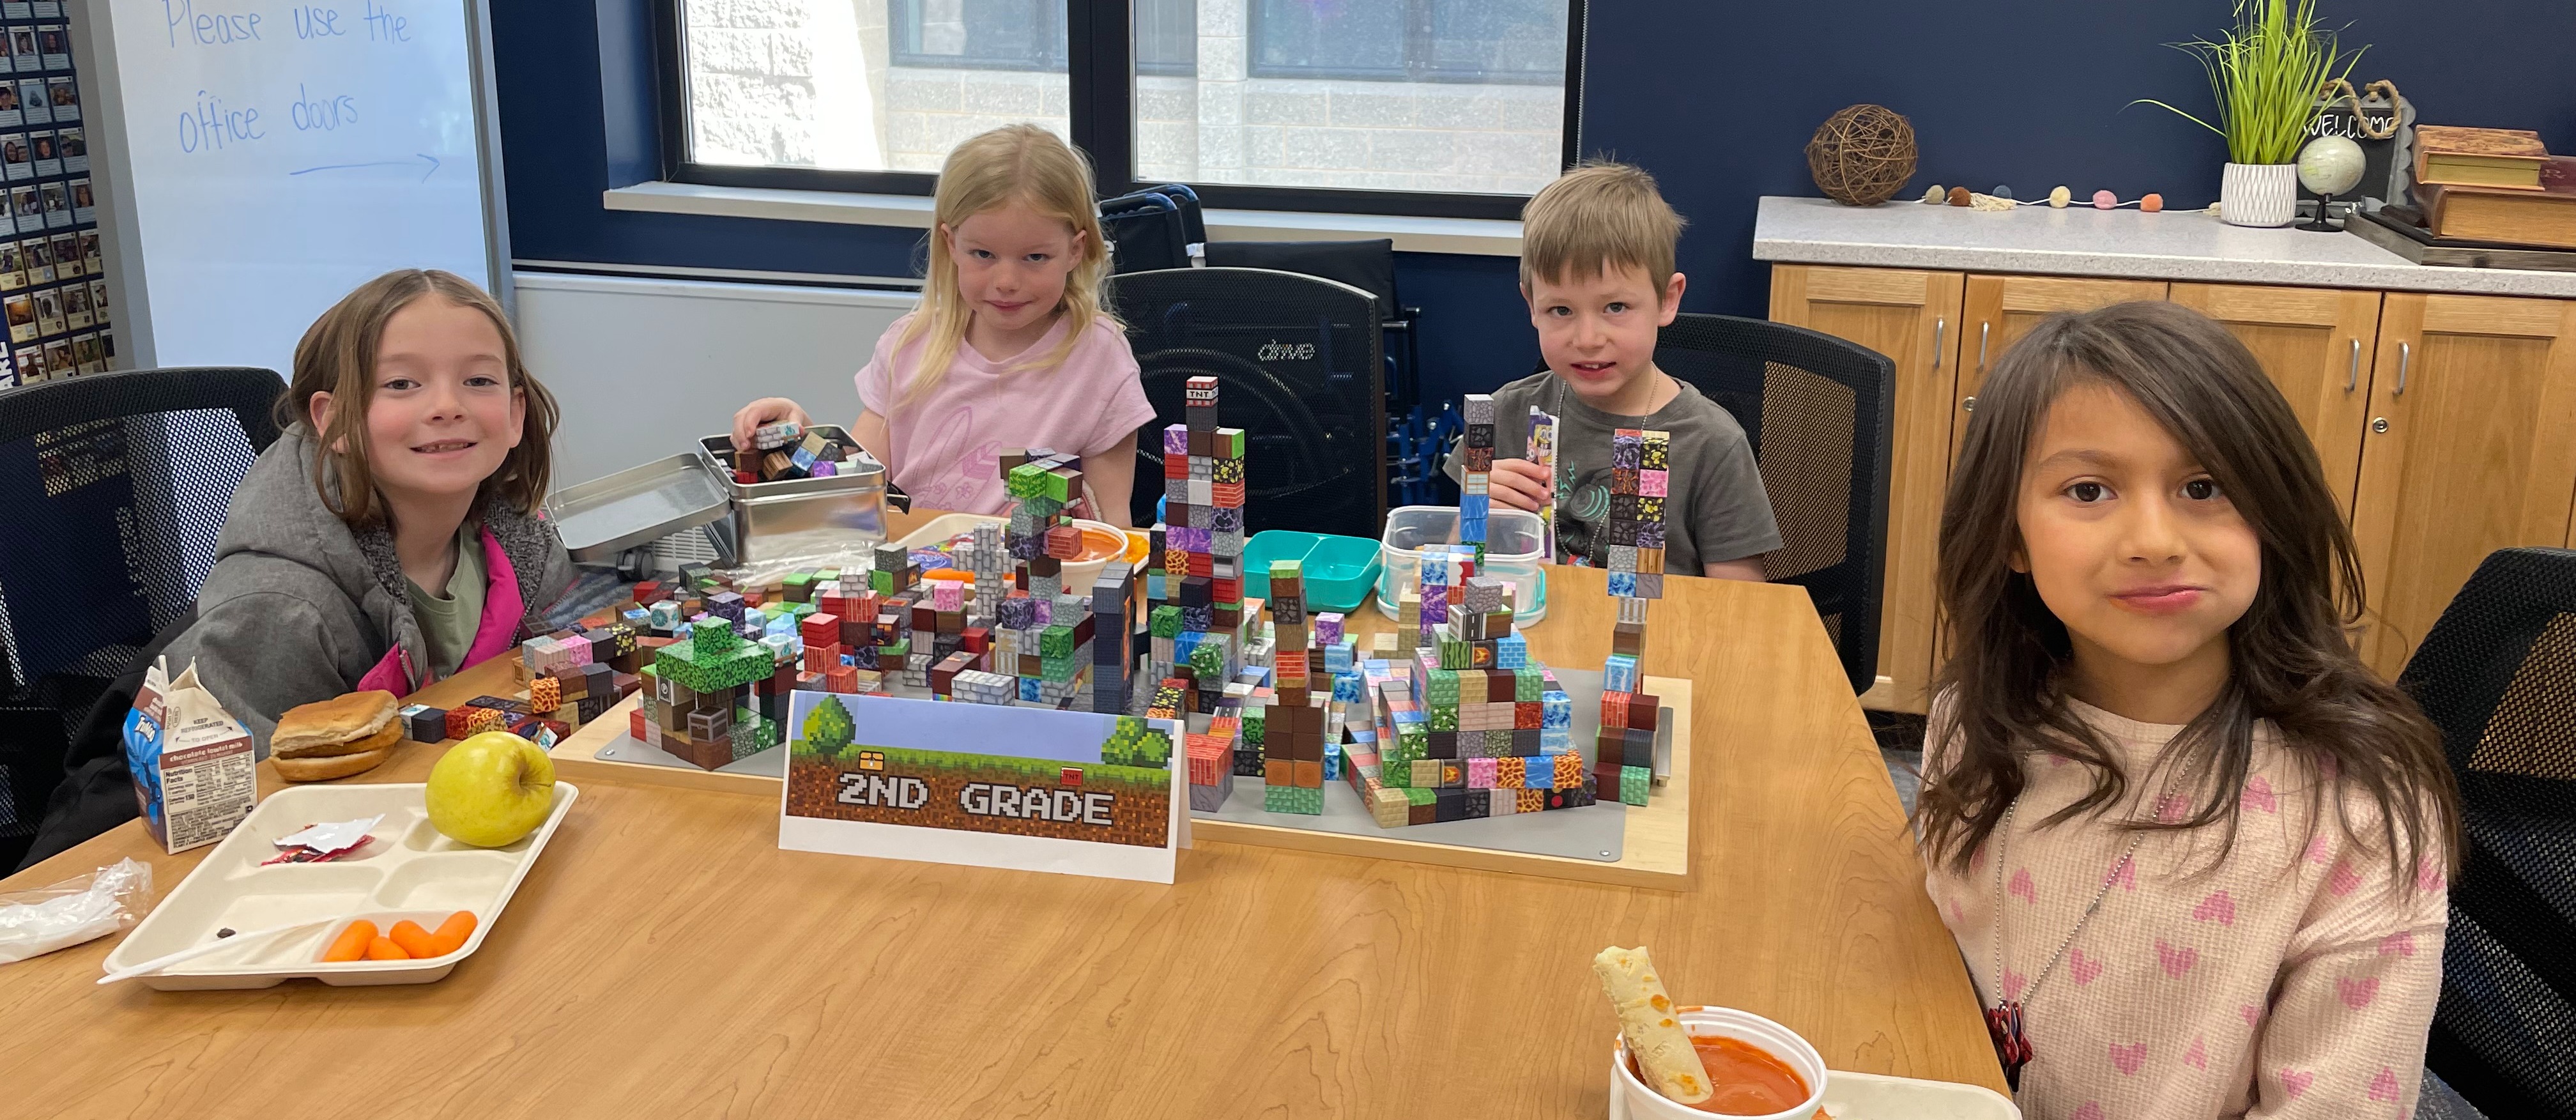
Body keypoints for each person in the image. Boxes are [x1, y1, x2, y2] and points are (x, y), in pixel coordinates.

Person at [1914, 302, 2458, 1119]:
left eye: (2203, 486)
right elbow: (1935, 952)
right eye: (2089, 489)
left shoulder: (2354, 815)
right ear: (2010, 537)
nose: (2156, 539)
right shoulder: (1976, 716)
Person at [165, 268, 572, 750]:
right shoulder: (281, 615)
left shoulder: (527, 549)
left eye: (478, 379)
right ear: (333, 422)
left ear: (514, 415)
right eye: (401, 384)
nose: (447, 405)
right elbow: (257, 799)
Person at [731, 125, 1151, 523]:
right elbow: (855, 490)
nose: (1006, 282)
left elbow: (1113, 529)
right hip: (911, 579)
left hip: (1032, 589)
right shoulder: (909, 345)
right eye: (983, 255)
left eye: (1035, 257)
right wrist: (797, 438)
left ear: (1075, 251)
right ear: (951, 245)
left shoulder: (1100, 357)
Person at [1443, 161, 1779, 579]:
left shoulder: (1712, 443)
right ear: (1531, 305)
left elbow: (1740, 605)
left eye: (1615, 307)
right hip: (1533, 630)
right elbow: (1456, 571)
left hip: (1661, 635)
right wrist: (1477, 514)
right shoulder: (1501, 414)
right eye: (1561, 309)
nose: (1587, 338)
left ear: (1667, 300)